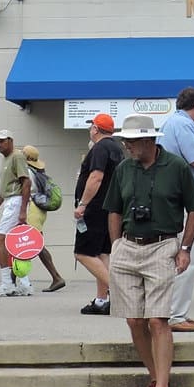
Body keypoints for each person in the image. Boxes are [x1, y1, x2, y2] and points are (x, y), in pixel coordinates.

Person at [102, 114, 194, 387]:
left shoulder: (176, 167)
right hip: (129, 246)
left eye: (132, 141)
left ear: (150, 140)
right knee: (133, 319)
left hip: (162, 245)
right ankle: (156, 377)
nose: (127, 146)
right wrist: (116, 244)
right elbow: (114, 209)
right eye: (125, 141)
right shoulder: (123, 168)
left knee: (157, 319)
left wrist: (184, 249)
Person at [159, 88, 194, 332]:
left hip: (171, 198)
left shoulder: (170, 123)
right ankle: (176, 315)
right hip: (181, 202)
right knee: (185, 258)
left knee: (176, 258)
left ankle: (173, 313)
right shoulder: (184, 124)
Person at [73, 114, 124, 315]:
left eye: (91, 127)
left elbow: (96, 177)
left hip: (94, 208)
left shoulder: (100, 148)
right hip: (109, 209)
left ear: (96, 129)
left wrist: (83, 204)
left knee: (83, 253)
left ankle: (121, 292)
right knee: (102, 254)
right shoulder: (116, 148)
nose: (90, 130)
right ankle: (102, 301)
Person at [0, 129, 34, 298]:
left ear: (10, 140)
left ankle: (7, 284)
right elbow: (6, 187)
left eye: (2, 141)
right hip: (9, 201)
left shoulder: (17, 156)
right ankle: (25, 284)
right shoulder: (6, 159)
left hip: (16, 202)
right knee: (11, 244)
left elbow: (26, 182)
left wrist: (22, 211)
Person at [18, 146, 67, 293]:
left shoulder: (26, 172)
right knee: (28, 244)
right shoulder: (36, 172)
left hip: (32, 210)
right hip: (38, 210)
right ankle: (12, 280)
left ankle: (56, 277)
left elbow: (23, 190)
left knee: (31, 245)